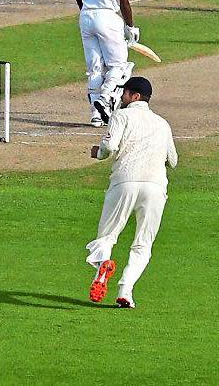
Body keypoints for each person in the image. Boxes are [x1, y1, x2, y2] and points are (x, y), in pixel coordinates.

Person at [86, 76, 177, 308]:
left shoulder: (121, 115)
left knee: (106, 237)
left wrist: (98, 153)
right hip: (155, 187)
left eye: (125, 93)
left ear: (134, 96)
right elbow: (173, 161)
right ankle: (126, 292)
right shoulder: (162, 123)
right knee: (143, 244)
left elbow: (109, 147)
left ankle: (103, 265)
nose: (122, 97)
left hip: (124, 182)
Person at [75, 0, 139, 127]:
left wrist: (89, 16)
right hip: (108, 17)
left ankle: (96, 115)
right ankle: (105, 99)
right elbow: (124, 2)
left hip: (85, 16)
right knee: (119, 66)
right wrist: (130, 26)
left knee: (94, 69)